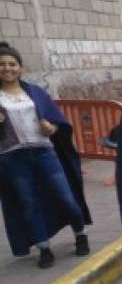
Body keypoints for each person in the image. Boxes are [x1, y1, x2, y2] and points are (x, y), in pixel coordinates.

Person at [0, 42, 91, 268]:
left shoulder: (35, 92)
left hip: (44, 153)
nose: (7, 68)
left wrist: (52, 127)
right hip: (13, 158)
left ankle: (80, 235)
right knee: (28, 203)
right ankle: (44, 248)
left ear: (20, 68)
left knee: (65, 197)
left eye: (12, 64)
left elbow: (57, 121)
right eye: (1, 65)